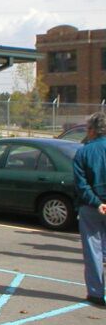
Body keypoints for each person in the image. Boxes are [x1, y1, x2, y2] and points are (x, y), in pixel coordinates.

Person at [72, 112, 106, 306]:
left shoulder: (84, 152)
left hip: (91, 207)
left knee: (93, 250)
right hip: (96, 204)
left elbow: (81, 184)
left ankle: (96, 292)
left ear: (93, 130)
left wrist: (96, 202)